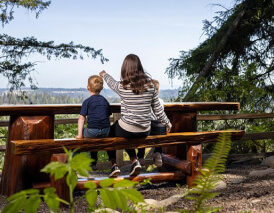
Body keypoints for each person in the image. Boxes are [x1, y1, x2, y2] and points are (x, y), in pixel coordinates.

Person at [99, 54, 172, 178]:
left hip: (127, 129)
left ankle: (115, 165)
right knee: (128, 133)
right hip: (145, 130)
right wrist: (168, 124)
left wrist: (104, 74)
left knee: (110, 133)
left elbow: (111, 83)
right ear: (140, 67)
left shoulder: (122, 86)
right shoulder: (151, 87)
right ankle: (134, 162)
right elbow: (158, 111)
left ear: (125, 69)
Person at [76, 75, 117, 174]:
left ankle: (80, 167)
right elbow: (107, 118)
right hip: (106, 131)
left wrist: (80, 135)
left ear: (88, 87)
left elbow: (82, 118)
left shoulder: (87, 101)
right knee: (107, 142)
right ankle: (114, 165)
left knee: (82, 140)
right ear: (101, 88)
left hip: (92, 132)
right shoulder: (105, 101)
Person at [137, 79, 166, 167]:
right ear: (158, 91)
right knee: (159, 137)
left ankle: (141, 157)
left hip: (149, 127)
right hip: (160, 127)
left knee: (141, 135)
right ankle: (158, 152)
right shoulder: (161, 101)